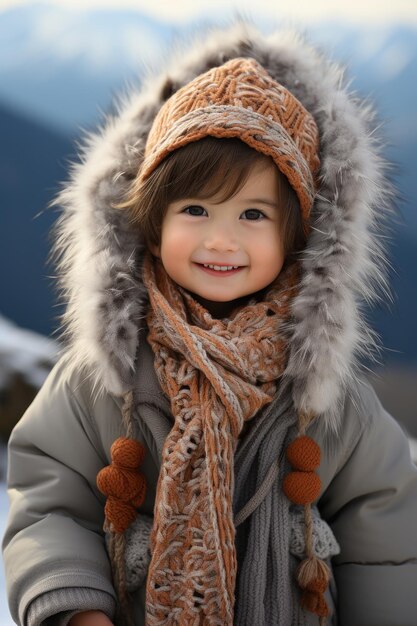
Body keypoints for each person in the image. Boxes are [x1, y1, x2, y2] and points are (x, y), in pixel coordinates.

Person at [2, 18, 417, 626]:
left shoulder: (326, 400)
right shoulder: (101, 380)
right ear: (150, 221)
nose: (221, 239)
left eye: (253, 213)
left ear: (299, 237)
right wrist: (74, 604)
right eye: (194, 208)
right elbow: (49, 505)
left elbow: (388, 544)